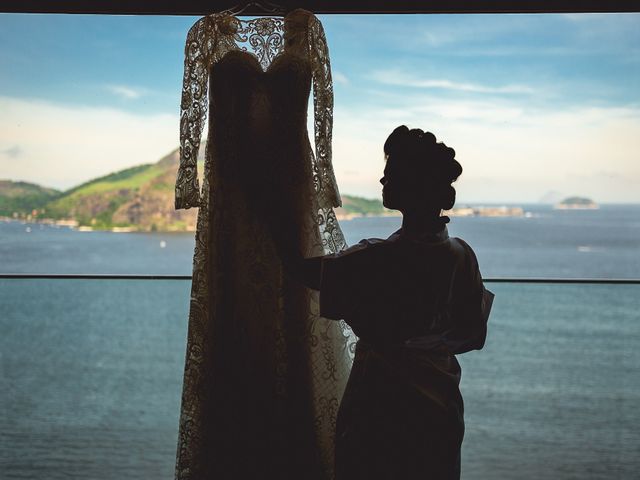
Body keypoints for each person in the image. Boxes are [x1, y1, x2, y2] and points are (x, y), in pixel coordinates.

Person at [273, 125, 494, 479]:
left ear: (412, 186)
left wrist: (274, 205)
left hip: (379, 407)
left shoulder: (376, 258)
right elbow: (473, 336)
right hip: (441, 408)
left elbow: (298, 269)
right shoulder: (462, 256)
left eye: (390, 175)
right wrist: (425, 340)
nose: (381, 180)